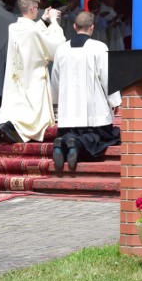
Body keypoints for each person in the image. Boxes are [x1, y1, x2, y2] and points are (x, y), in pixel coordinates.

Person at [51, 11, 120, 171]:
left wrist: (55, 102)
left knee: (71, 131)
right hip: (93, 111)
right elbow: (107, 77)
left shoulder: (61, 49)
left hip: (68, 112)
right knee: (107, 136)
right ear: (92, 27)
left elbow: (55, 79)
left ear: (74, 27)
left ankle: (63, 141)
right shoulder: (99, 47)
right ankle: (77, 143)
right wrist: (115, 101)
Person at [0, 0, 64, 144]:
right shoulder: (32, 30)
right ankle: (11, 126)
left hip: (17, 74)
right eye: (37, 8)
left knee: (16, 104)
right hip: (33, 75)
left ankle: (3, 124)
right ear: (31, 8)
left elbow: (33, 33)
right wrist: (54, 21)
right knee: (32, 112)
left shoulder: (14, 27)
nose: (38, 11)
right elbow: (57, 46)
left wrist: (43, 20)